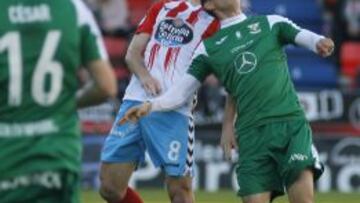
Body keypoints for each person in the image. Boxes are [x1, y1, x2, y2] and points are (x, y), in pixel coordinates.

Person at [120, 0, 335, 202]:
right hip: (251, 137)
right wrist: (150, 106)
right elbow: (180, 93)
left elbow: (303, 36)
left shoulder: (270, 23)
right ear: (210, 4)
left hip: (289, 124)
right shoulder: (209, 48)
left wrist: (319, 42)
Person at [99, 0, 219, 203]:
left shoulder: (215, 21)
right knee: (110, 188)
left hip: (174, 109)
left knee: (180, 190)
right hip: (134, 101)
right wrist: (145, 76)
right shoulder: (162, 7)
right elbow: (132, 54)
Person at [0, 0, 117, 202]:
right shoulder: (73, 8)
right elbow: (106, 86)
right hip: (56, 155)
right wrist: (66, 104)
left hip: (6, 158)